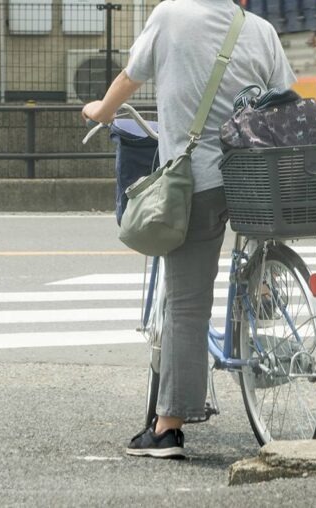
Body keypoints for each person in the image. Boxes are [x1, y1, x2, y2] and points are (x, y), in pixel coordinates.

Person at [82, 0, 296, 459]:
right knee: (253, 241)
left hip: (197, 181)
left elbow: (129, 78)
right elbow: (286, 99)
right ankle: (263, 288)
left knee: (186, 304)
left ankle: (168, 427)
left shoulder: (169, 16)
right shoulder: (260, 30)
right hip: (255, 180)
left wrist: (101, 110)